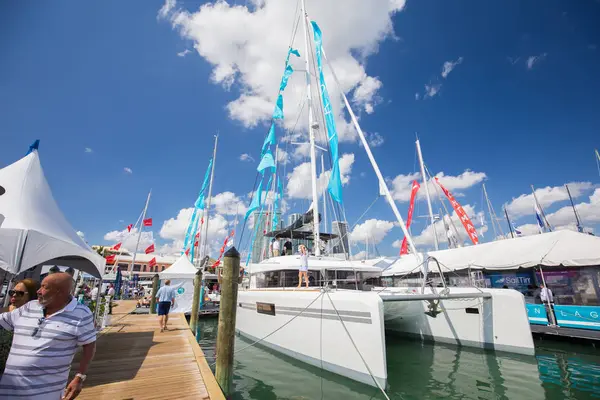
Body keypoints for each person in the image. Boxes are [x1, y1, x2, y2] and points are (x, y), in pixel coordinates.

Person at [0, 273, 96, 400]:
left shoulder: (81, 313)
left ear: (60, 292)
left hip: (45, 392)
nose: (39, 291)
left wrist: (79, 377)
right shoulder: (30, 306)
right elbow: (3, 320)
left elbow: (89, 345)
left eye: (44, 287)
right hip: (9, 389)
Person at [0, 279, 40, 375]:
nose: (14, 295)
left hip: (18, 370)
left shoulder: (35, 319)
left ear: (31, 296)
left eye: (19, 293)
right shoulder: (2, 312)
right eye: (12, 292)